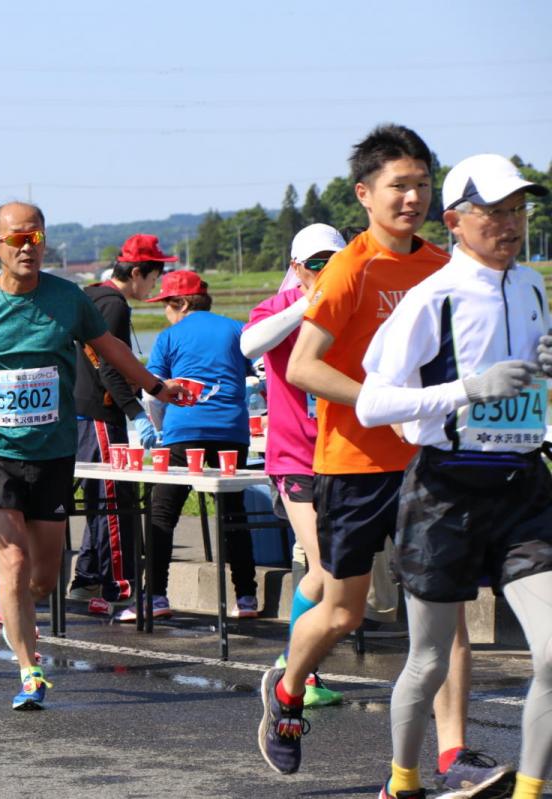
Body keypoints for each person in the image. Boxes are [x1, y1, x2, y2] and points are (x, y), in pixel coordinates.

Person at [258, 125, 511, 796]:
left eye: (424, 184)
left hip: (431, 464)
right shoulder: (351, 267)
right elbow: (306, 366)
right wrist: (387, 400)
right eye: (399, 185)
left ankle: (455, 752)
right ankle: (285, 690)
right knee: (343, 611)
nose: (413, 197)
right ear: (365, 193)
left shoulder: (444, 265)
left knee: (445, 609)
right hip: (352, 462)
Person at [0, 202, 190, 710]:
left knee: (42, 578)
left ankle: (7, 598)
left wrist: (158, 387)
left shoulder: (68, 298)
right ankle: (30, 670)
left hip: (53, 450)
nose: (29, 247)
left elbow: (112, 350)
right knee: (13, 558)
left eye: (36, 238)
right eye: (18, 239)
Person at [356, 154, 550, 799]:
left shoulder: (533, 287)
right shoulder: (430, 297)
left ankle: (528, 791)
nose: (510, 223)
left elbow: (534, 394)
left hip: (523, 488)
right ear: (456, 221)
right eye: (494, 211)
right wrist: (467, 389)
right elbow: (372, 402)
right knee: (429, 660)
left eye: (519, 209)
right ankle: (402, 782)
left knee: (550, 654)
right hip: (444, 492)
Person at [240, 223, 347, 707]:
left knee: (334, 573)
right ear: (297, 268)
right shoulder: (279, 308)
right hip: (294, 457)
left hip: (345, 454)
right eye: (318, 263)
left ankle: (302, 669)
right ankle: (292, 665)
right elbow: (249, 346)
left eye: (337, 262)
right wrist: (308, 303)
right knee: (322, 568)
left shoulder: (353, 307)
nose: (329, 271)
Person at [143, 269, 259, 619]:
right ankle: (247, 598)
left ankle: (157, 596)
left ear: (180, 302)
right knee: (233, 512)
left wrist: (161, 430)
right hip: (231, 431)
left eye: (166, 304)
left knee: (163, 512)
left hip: (183, 430)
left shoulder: (169, 336)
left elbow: (151, 394)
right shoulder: (236, 329)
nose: (165, 311)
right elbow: (257, 374)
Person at [70, 234, 175, 611]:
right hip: (99, 410)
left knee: (100, 498)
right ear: (135, 272)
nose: (155, 285)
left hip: (80, 410)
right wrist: (136, 412)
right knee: (114, 499)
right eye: (153, 277)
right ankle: (119, 587)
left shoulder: (91, 294)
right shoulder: (113, 304)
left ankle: (86, 578)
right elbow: (109, 363)